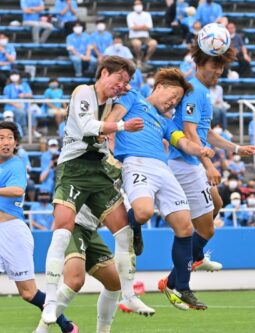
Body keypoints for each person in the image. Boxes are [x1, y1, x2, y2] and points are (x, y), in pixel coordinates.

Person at [40, 56, 154, 325]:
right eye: (119, 79)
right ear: (104, 73)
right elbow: (87, 127)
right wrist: (124, 125)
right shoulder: (83, 92)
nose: (121, 86)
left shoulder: (116, 104)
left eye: (126, 82)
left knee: (124, 230)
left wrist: (127, 93)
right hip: (74, 169)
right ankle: (51, 301)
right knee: (61, 231)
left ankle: (128, 294)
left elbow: (138, 102)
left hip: (98, 172)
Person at [109, 68, 215, 310]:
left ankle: (183, 288)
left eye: (178, 100)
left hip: (163, 169)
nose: (174, 102)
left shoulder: (165, 122)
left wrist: (200, 150)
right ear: (159, 87)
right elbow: (114, 118)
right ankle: (134, 224)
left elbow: (182, 141)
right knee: (144, 212)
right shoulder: (133, 98)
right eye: (173, 96)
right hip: (136, 162)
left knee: (185, 226)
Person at [158, 43, 255, 298]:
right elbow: (190, 133)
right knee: (206, 229)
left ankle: (194, 257)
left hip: (189, 163)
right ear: (200, 63)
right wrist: (208, 163)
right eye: (215, 65)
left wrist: (236, 148)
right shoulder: (194, 92)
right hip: (184, 164)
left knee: (217, 202)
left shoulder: (203, 92)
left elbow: (206, 132)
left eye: (222, 66)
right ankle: (177, 282)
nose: (219, 71)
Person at [0, 121, 77, 333]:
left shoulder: (15, 164)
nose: (5, 142)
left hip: (11, 232)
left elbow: (16, 190)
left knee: (28, 293)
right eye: (1, 138)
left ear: (15, 144)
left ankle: (67, 325)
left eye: (9, 138)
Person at [53, 205, 122, 333]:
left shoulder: (118, 186)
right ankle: (41, 329)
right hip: (73, 225)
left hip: (91, 230)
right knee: (74, 281)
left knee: (114, 283)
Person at [127, 0, 157, 68]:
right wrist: (144, 26)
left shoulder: (147, 14)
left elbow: (149, 27)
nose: (138, 5)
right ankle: (138, 59)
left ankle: (146, 60)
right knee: (137, 44)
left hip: (145, 37)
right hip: (133, 37)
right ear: (133, 6)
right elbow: (132, 28)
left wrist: (137, 26)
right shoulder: (130, 15)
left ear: (142, 5)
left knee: (154, 43)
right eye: (136, 4)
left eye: (139, 4)